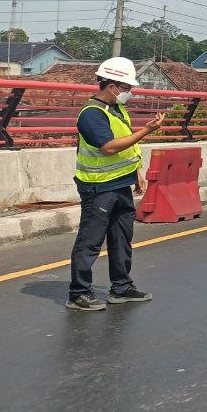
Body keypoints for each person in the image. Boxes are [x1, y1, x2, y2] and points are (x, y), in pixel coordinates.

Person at [67, 57, 164, 312]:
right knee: (90, 240)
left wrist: (137, 172)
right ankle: (79, 293)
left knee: (122, 237)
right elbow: (109, 148)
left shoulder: (117, 111)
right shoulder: (91, 114)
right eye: (126, 88)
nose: (129, 93)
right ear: (112, 86)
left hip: (121, 183)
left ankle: (121, 288)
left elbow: (127, 145)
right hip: (98, 187)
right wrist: (147, 130)